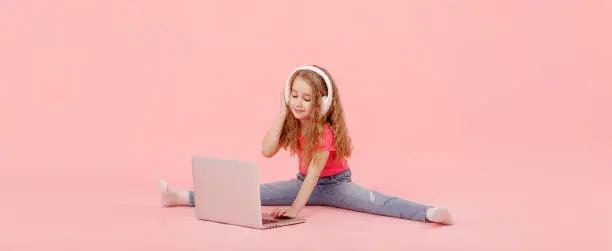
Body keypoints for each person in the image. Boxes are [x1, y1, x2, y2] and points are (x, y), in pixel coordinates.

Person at [159, 65, 454, 225]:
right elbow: (266, 149)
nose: (299, 103)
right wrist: (282, 110)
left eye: (306, 98)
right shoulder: (293, 118)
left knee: (380, 203)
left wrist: (295, 210)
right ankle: (182, 196)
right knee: (253, 193)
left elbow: (315, 174)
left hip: (336, 186)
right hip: (302, 184)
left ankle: (429, 213)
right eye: (294, 95)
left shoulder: (323, 132)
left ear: (323, 102)